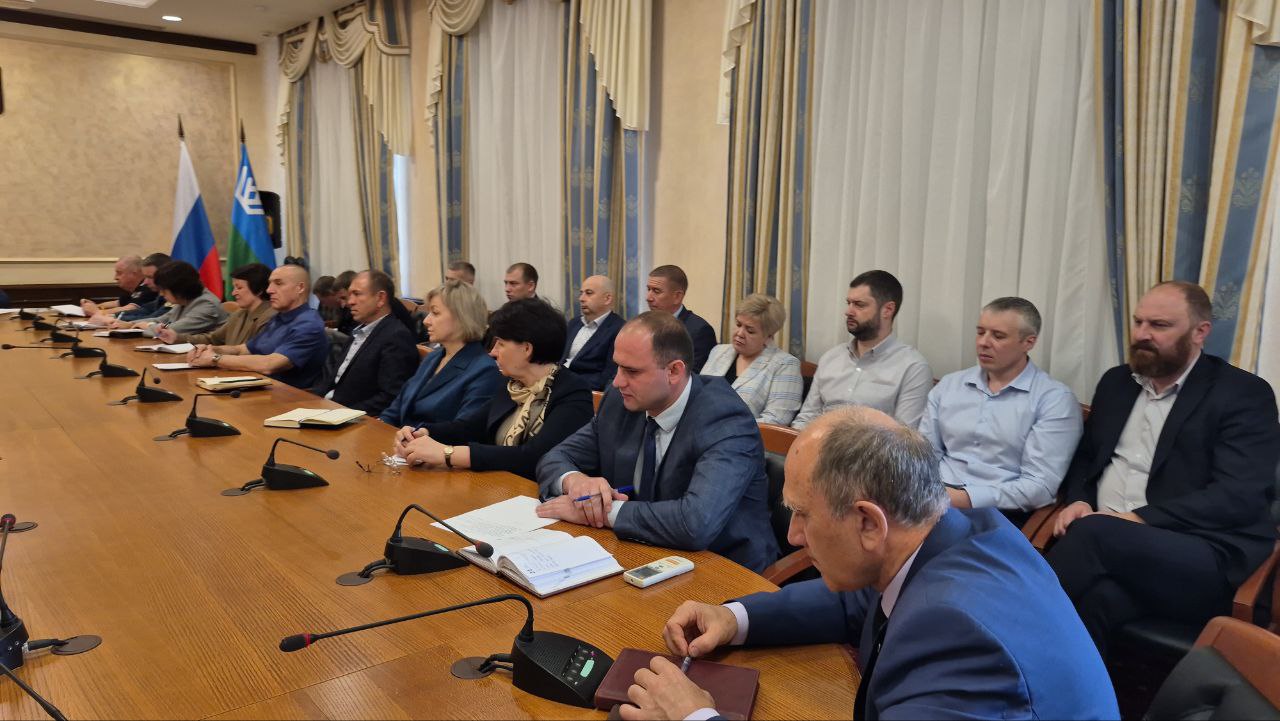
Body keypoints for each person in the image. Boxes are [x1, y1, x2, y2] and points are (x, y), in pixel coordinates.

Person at [620, 408, 1117, 721]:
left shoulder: (957, 637)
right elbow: (863, 598)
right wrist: (735, 617)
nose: (792, 536)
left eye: (802, 514)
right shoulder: (961, 531)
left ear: (869, 523)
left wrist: (694, 717)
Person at [1046, 281, 1280, 657]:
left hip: (1203, 554)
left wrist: (1136, 519)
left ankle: (991, 637)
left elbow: (1237, 495)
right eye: (1138, 322)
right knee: (1098, 601)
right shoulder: (1117, 383)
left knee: (1093, 535)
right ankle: (1074, 694)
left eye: (1159, 325)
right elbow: (1088, 457)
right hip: (1117, 551)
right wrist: (1078, 499)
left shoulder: (1242, 394)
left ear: (1200, 332)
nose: (1142, 334)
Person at [535, 312, 779, 572]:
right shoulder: (620, 401)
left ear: (674, 371)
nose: (617, 381)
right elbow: (554, 458)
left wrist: (600, 511)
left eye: (632, 371)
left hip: (724, 568)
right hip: (642, 551)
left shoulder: (725, 419)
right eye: (618, 366)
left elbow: (696, 523)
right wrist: (575, 481)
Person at [918, 297, 1082, 526]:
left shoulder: (1053, 399)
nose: (983, 342)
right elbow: (924, 455)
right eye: (980, 332)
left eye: (998, 336)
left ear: (1028, 342)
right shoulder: (950, 385)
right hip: (932, 498)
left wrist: (962, 498)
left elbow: (1039, 487)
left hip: (998, 511)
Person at [396, 298, 594, 480]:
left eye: (501, 344)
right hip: (500, 485)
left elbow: (535, 457)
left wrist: (448, 454)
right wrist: (424, 432)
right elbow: (469, 427)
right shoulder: (514, 385)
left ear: (526, 349)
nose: (493, 352)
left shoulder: (572, 393)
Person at [792, 270, 932, 430]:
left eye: (859, 304)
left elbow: (904, 437)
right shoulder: (831, 358)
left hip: (870, 446)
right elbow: (806, 418)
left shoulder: (912, 367)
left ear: (887, 310)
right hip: (816, 443)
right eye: (849, 303)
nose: (848, 311)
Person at [379, 280, 504, 427]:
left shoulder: (484, 370)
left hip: (432, 441)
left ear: (462, 318)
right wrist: (380, 427)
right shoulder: (433, 357)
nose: (426, 321)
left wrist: (411, 433)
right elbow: (397, 407)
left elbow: (464, 429)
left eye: (435, 313)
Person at [187, 264, 329, 389]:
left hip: (291, 398)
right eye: (270, 284)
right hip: (262, 388)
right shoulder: (279, 317)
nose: (269, 290)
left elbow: (269, 364)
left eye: (278, 283)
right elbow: (243, 349)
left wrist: (215, 359)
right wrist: (209, 349)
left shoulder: (308, 325)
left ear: (300, 288)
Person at [311, 270, 419, 416]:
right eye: (350, 295)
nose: (350, 302)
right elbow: (334, 380)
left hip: (353, 418)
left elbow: (390, 397)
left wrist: (343, 413)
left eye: (357, 294)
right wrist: (312, 402)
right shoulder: (359, 331)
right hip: (327, 407)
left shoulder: (396, 337)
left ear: (380, 298)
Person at [700, 293, 803, 426]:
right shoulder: (719, 352)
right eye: (738, 324)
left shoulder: (785, 365)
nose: (739, 333)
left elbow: (776, 420)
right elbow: (697, 396)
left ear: (769, 336)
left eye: (750, 331)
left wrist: (724, 428)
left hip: (742, 436)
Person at [157, 263, 275, 347]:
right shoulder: (239, 314)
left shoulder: (270, 317)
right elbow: (212, 339)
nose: (233, 293)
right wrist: (176, 337)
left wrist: (216, 355)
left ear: (259, 289)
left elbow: (253, 353)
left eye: (239, 288)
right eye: (234, 287)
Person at [116, 261, 227, 337]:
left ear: (178, 288)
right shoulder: (185, 300)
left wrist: (148, 326)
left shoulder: (207, 304)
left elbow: (173, 330)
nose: (161, 294)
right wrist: (130, 325)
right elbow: (162, 319)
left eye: (164, 290)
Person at [645, 265, 716, 372]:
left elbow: (692, 376)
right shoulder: (644, 324)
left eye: (656, 291)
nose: (648, 298)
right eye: (648, 289)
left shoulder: (699, 331)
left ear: (677, 297)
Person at [562, 274, 625, 391]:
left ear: (607, 299)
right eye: (581, 293)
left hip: (587, 392)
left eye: (589, 293)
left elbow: (607, 377)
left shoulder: (619, 329)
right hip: (558, 385)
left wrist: (568, 383)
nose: (581, 298)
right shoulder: (574, 323)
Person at [88, 253, 171, 324]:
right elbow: (144, 310)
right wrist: (112, 316)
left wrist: (110, 318)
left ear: (164, 275)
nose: (145, 282)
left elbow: (155, 318)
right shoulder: (161, 297)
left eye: (150, 277)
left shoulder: (173, 296)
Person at [79, 255, 154, 318]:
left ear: (134, 273)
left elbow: (131, 309)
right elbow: (117, 303)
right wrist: (95, 306)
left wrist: (97, 311)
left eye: (119, 273)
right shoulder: (132, 288)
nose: (115, 278)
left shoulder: (148, 286)